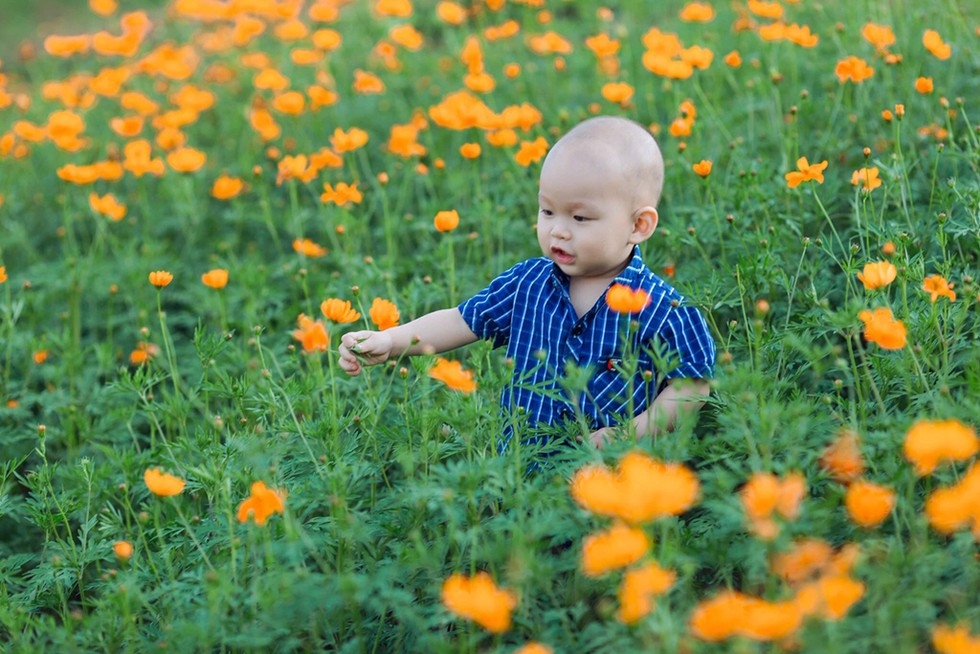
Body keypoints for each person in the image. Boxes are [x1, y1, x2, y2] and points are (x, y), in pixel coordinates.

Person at [338, 116, 715, 451]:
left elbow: (692, 386)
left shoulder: (664, 309)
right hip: (521, 476)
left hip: (608, 482)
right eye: (548, 211)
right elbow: (459, 321)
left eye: (580, 218)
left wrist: (632, 432)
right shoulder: (526, 284)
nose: (558, 230)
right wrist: (391, 340)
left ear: (638, 226)